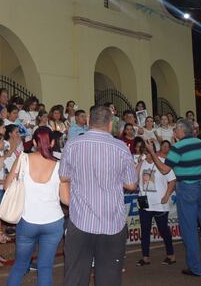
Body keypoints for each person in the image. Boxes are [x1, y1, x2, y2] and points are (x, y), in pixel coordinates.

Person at [59, 105, 137, 285]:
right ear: (110, 124)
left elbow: (64, 177)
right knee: (109, 278)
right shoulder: (121, 148)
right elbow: (132, 184)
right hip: (112, 223)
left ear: (88, 121)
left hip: (80, 220)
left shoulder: (73, 144)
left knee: (75, 277)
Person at [146, 118, 201, 277]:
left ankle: (196, 268)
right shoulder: (199, 143)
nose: (174, 132)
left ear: (182, 131)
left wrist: (152, 152)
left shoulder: (178, 147)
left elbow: (164, 170)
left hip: (188, 188)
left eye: (175, 129)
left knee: (189, 228)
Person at [5, 126, 67, 286]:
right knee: (45, 267)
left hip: (28, 220)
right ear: (53, 142)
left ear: (33, 142)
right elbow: (66, 200)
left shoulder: (23, 159)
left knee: (20, 265)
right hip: (53, 222)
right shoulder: (60, 165)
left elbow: (7, 186)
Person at [134, 141, 176, 267]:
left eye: (148, 151)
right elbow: (133, 178)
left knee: (163, 230)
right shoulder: (142, 164)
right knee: (145, 230)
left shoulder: (162, 161)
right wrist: (140, 162)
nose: (146, 155)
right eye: (144, 152)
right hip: (145, 204)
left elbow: (172, 180)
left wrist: (167, 195)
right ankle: (145, 257)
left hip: (160, 203)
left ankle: (171, 255)